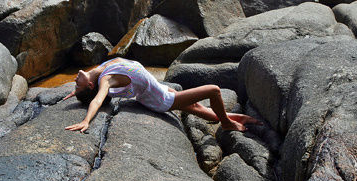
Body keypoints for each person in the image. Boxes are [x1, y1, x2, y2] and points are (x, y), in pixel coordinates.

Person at [62, 57, 260, 133]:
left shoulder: (100, 69)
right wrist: (86, 120)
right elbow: (97, 99)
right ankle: (226, 123)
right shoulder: (106, 79)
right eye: (77, 85)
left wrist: (76, 92)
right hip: (162, 101)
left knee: (201, 109)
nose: (74, 80)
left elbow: (89, 90)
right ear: (90, 85)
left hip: (162, 90)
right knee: (214, 90)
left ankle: (234, 118)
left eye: (75, 85)